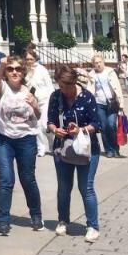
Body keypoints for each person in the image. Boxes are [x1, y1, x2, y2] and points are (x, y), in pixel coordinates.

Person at [0, 55, 43, 235]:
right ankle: (3, 219)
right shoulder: (2, 87)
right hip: (2, 137)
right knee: (6, 179)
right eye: (10, 69)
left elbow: (39, 115)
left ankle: (35, 214)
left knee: (27, 178)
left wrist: (35, 105)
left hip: (26, 138)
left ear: (23, 72)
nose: (14, 72)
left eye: (18, 69)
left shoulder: (29, 90)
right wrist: (0, 66)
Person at [48, 64, 102, 243]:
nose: (64, 91)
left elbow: (97, 124)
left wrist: (80, 130)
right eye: (61, 87)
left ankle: (93, 226)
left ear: (73, 83)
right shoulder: (56, 97)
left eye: (67, 87)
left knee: (85, 187)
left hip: (87, 150)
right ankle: (63, 220)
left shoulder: (87, 97)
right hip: (62, 149)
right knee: (64, 187)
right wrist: (55, 129)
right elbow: (50, 121)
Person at [90, 53, 124, 158]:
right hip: (99, 104)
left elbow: (117, 87)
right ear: (93, 64)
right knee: (104, 127)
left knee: (111, 125)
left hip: (112, 103)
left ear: (103, 62)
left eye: (99, 62)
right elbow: (89, 89)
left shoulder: (110, 72)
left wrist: (121, 103)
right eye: (96, 63)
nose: (98, 64)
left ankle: (116, 148)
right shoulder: (91, 74)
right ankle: (108, 149)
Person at [24, 45, 55, 157]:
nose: (29, 61)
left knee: (45, 125)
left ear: (35, 59)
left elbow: (50, 86)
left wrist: (53, 100)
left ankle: (52, 145)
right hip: (32, 101)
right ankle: (41, 148)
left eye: (31, 59)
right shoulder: (25, 71)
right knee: (36, 125)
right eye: (27, 59)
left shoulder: (42, 70)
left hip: (45, 100)